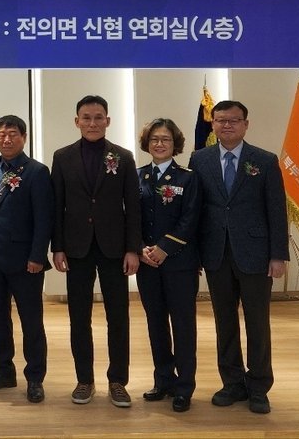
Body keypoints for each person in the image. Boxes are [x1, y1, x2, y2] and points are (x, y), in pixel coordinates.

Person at [187, 100, 288, 415]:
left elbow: (276, 210)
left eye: (233, 120)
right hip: (215, 253)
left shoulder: (264, 160)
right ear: (213, 124)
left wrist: (278, 255)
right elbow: (194, 210)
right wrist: (194, 254)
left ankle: (259, 386)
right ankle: (232, 383)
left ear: (246, 124)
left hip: (256, 254)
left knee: (257, 322)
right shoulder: (199, 159)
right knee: (224, 321)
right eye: (220, 120)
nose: (226, 125)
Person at [51, 95, 141, 407]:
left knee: (118, 317)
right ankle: (84, 380)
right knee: (79, 317)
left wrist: (133, 249)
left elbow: (133, 207)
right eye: (86, 118)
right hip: (76, 248)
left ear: (108, 121)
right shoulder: (62, 157)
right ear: (77, 121)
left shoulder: (123, 157)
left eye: (98, 117)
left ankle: (118, 381)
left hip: (114, 248)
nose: (92, 123)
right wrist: (57, 247)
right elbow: (57, 206)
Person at [0, 114, 53, 404]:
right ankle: (3, 371)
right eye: (1, 134)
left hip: (26, 260)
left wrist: (37, 256)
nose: (6, 139)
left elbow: (44, 219)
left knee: (31, 321)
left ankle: (35, 378)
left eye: (13, 134)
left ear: (24, 138)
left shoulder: (37, 172)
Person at [136, 118, 202, 413]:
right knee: (156, 323)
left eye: (165, 139)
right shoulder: (137, 176)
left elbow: (191, 219)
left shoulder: (188, 178)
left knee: (183, 326)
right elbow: (130, 218)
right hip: (147, 264)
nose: (159, 144)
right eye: (154, 139)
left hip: (180, 264)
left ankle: (184, 386)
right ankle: (163, 380)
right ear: (146, 143)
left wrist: (164, 248)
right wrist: (139, 247)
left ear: (175, 144)